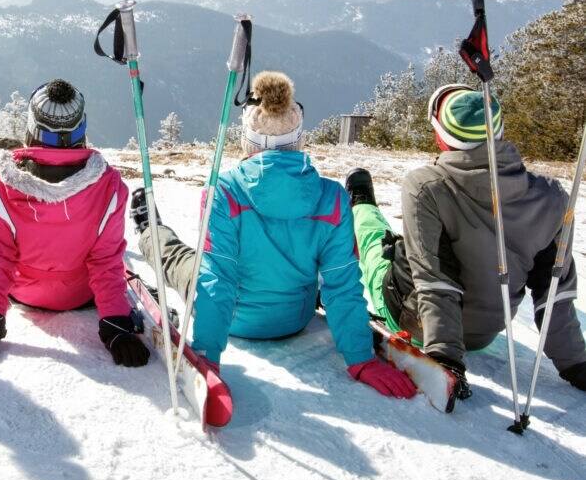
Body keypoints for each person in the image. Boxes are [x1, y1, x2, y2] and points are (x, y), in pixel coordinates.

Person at [131, 70, 415, 400]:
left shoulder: (224, 191)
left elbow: (216, 281)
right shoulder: (334, 198)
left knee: (181, 258)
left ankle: (149, 230)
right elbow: (342, 284)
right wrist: (361, 359)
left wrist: (207, 356)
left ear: (248, 139)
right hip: (295, 319)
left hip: (236, 320)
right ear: (298, 138)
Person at [347, 84, 586, 399]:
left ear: (441, 139)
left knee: (376, 243)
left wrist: (445, 357)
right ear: (500, 133)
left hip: (419, 323)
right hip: (482, 334)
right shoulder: (550, 196)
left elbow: (434, 280)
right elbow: (554, 292)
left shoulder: (427, 186)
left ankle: (361, 203)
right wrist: (577, 364)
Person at [0, 78, 149, 367]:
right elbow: (105, 262)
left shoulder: (2, 184)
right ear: (81, 128)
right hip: (81, 295)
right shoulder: (109, 186)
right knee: (109, 252)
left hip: (22, 294)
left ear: (32, 127)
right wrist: (116, 324)